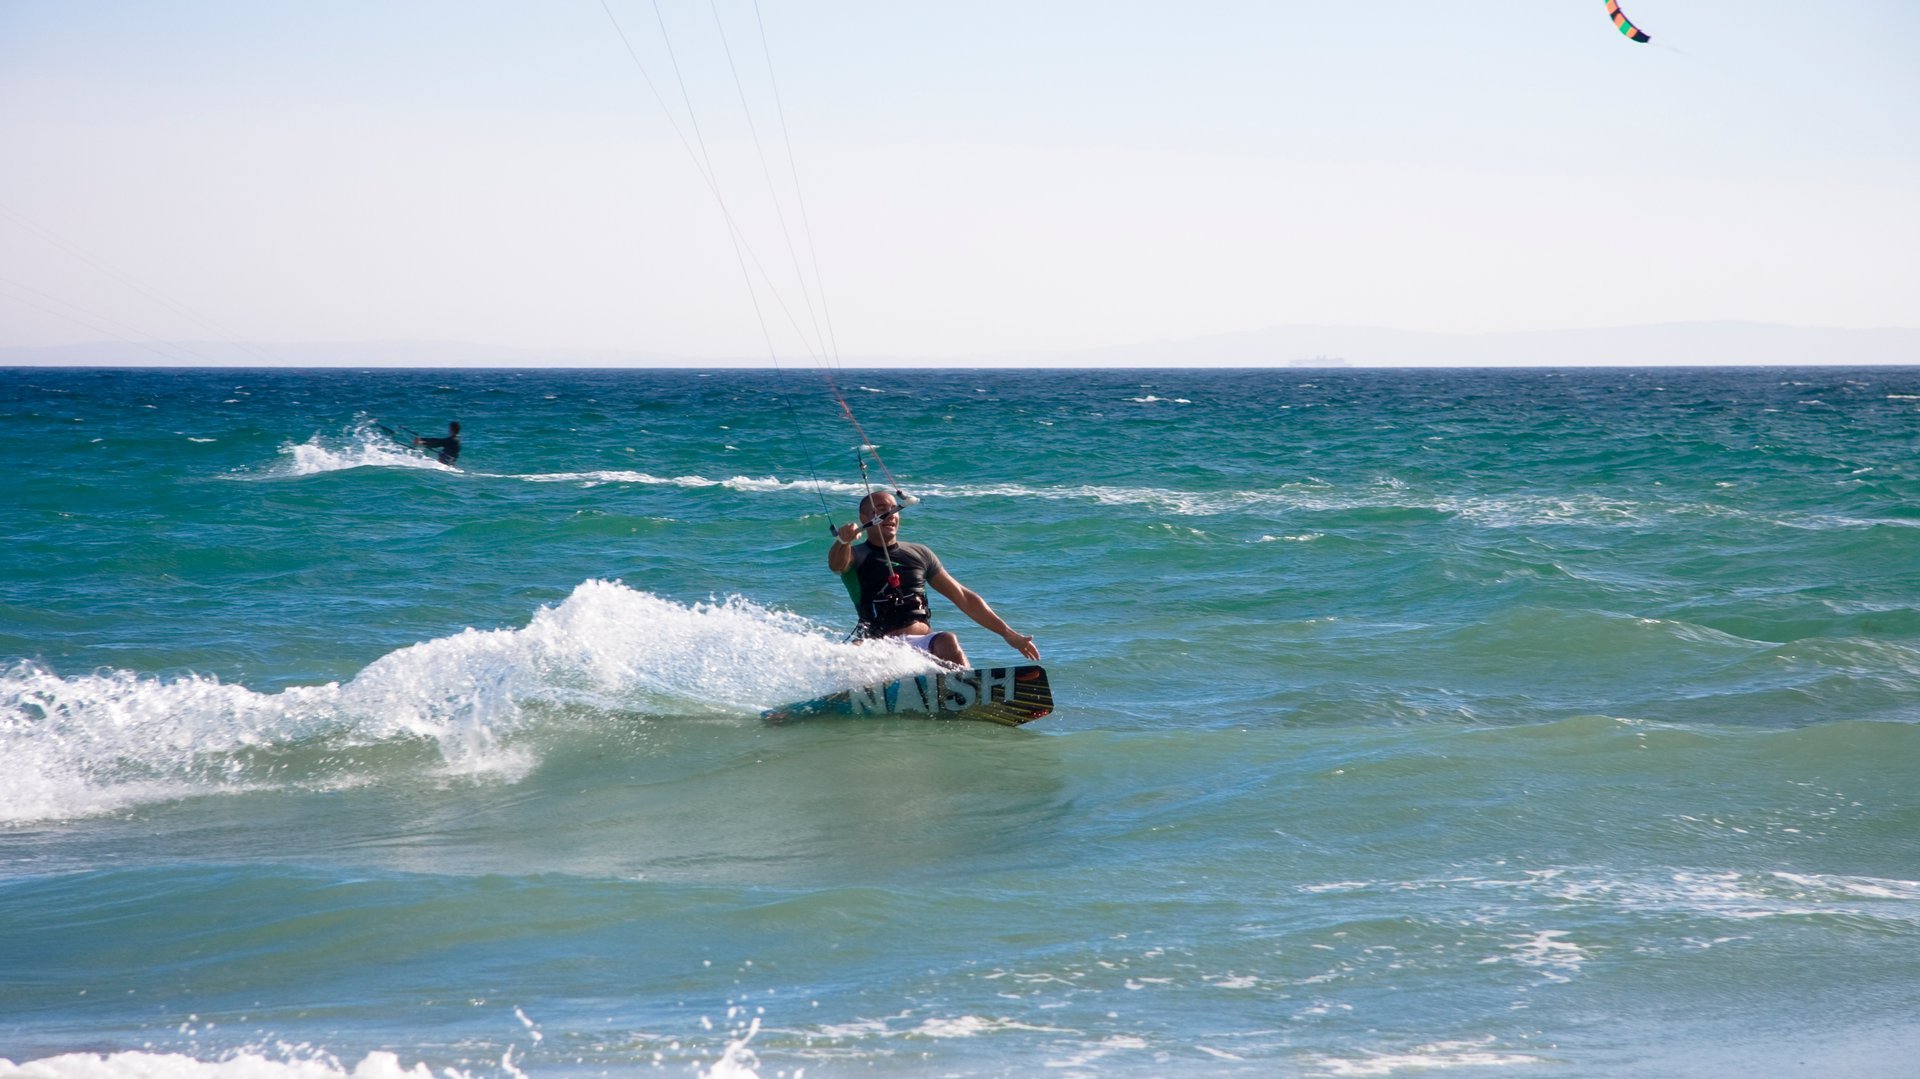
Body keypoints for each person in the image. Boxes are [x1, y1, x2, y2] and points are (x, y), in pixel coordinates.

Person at [828, 490, 1040, 668]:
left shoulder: (920, 553)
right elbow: (836, 564)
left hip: (921, 643)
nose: (891, 515)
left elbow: (963, 596)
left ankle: (968, 689)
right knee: (851, 654)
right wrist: (842, 541)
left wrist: (1007, 633)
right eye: (881, 510)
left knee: (947, 640)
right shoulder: (855, 555)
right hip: (877, 644)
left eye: (895, 509)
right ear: (865, 519)